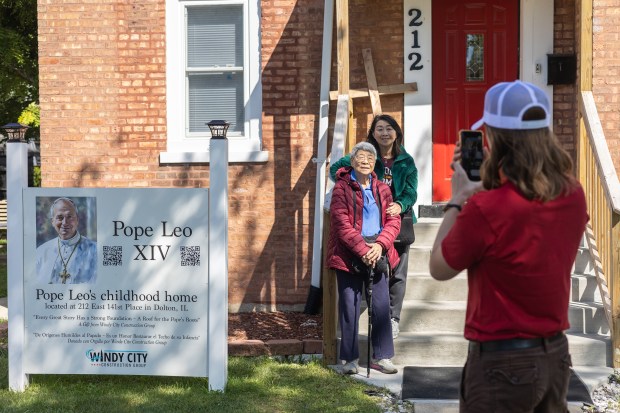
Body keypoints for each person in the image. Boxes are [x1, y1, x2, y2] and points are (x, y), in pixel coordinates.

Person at [429, 80, 588, 412]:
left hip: (502, 364)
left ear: (495, 137)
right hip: (555, 355)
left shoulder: (486, 208)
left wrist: (458, 199)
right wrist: (488, 179)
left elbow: (439, 266)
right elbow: (526, 199)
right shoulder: (573, 194)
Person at [330, 114, 418, 339]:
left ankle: (393, 319)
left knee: (397, 273)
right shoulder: (367, 154)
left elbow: (411, 191)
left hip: (398, 221)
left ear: (396, 132)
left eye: (389, 128)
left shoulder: (406, 160)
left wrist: (400, 204)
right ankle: (360, 318)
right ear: (373, 133)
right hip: (370, 223)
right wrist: (349, 183)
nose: (385, 133)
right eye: (379, 129)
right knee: (367, 270)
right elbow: (337, 169)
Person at [327, 142, 401, 375]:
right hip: (349, 253)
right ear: (352, 161)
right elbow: (341, 224)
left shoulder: (383, 190)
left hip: (378, 251)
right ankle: (349, 360)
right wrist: (363, 249)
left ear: (375, 162)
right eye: (360, 157)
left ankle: (383, 357)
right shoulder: (341, 188)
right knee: (349, 305)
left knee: (380, 306)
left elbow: (393, 222)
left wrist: (379, 246)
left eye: (370, 157)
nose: (366, 161)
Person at [36, 197, 98, 284]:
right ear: (52, 221)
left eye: (69, 216)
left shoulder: (95, 251)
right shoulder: (41, 251)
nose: (65, 222)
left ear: (77, 220)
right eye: (60, 217)